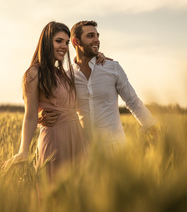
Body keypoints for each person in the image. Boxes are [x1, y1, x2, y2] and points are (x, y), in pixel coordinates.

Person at [40, 20, 156, 149]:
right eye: (90, 36)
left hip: (116, 148)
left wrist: (152, 127)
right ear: (76, 42)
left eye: (97, 36)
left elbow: (133, 101)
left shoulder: (113, 68)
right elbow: (58, 108)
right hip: (84, 151)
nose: (96, 40)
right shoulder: (67, 77)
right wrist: (40, 116)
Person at [3, 21, 94, 181]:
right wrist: (23, 150)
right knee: (54, 197)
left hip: (77, 140)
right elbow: (30, 115)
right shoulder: (33, 74)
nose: (64, 46)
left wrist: (98, 56)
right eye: (58, 41)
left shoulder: (63, 74)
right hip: (54, 142)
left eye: (66, 42)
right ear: (46, 42)